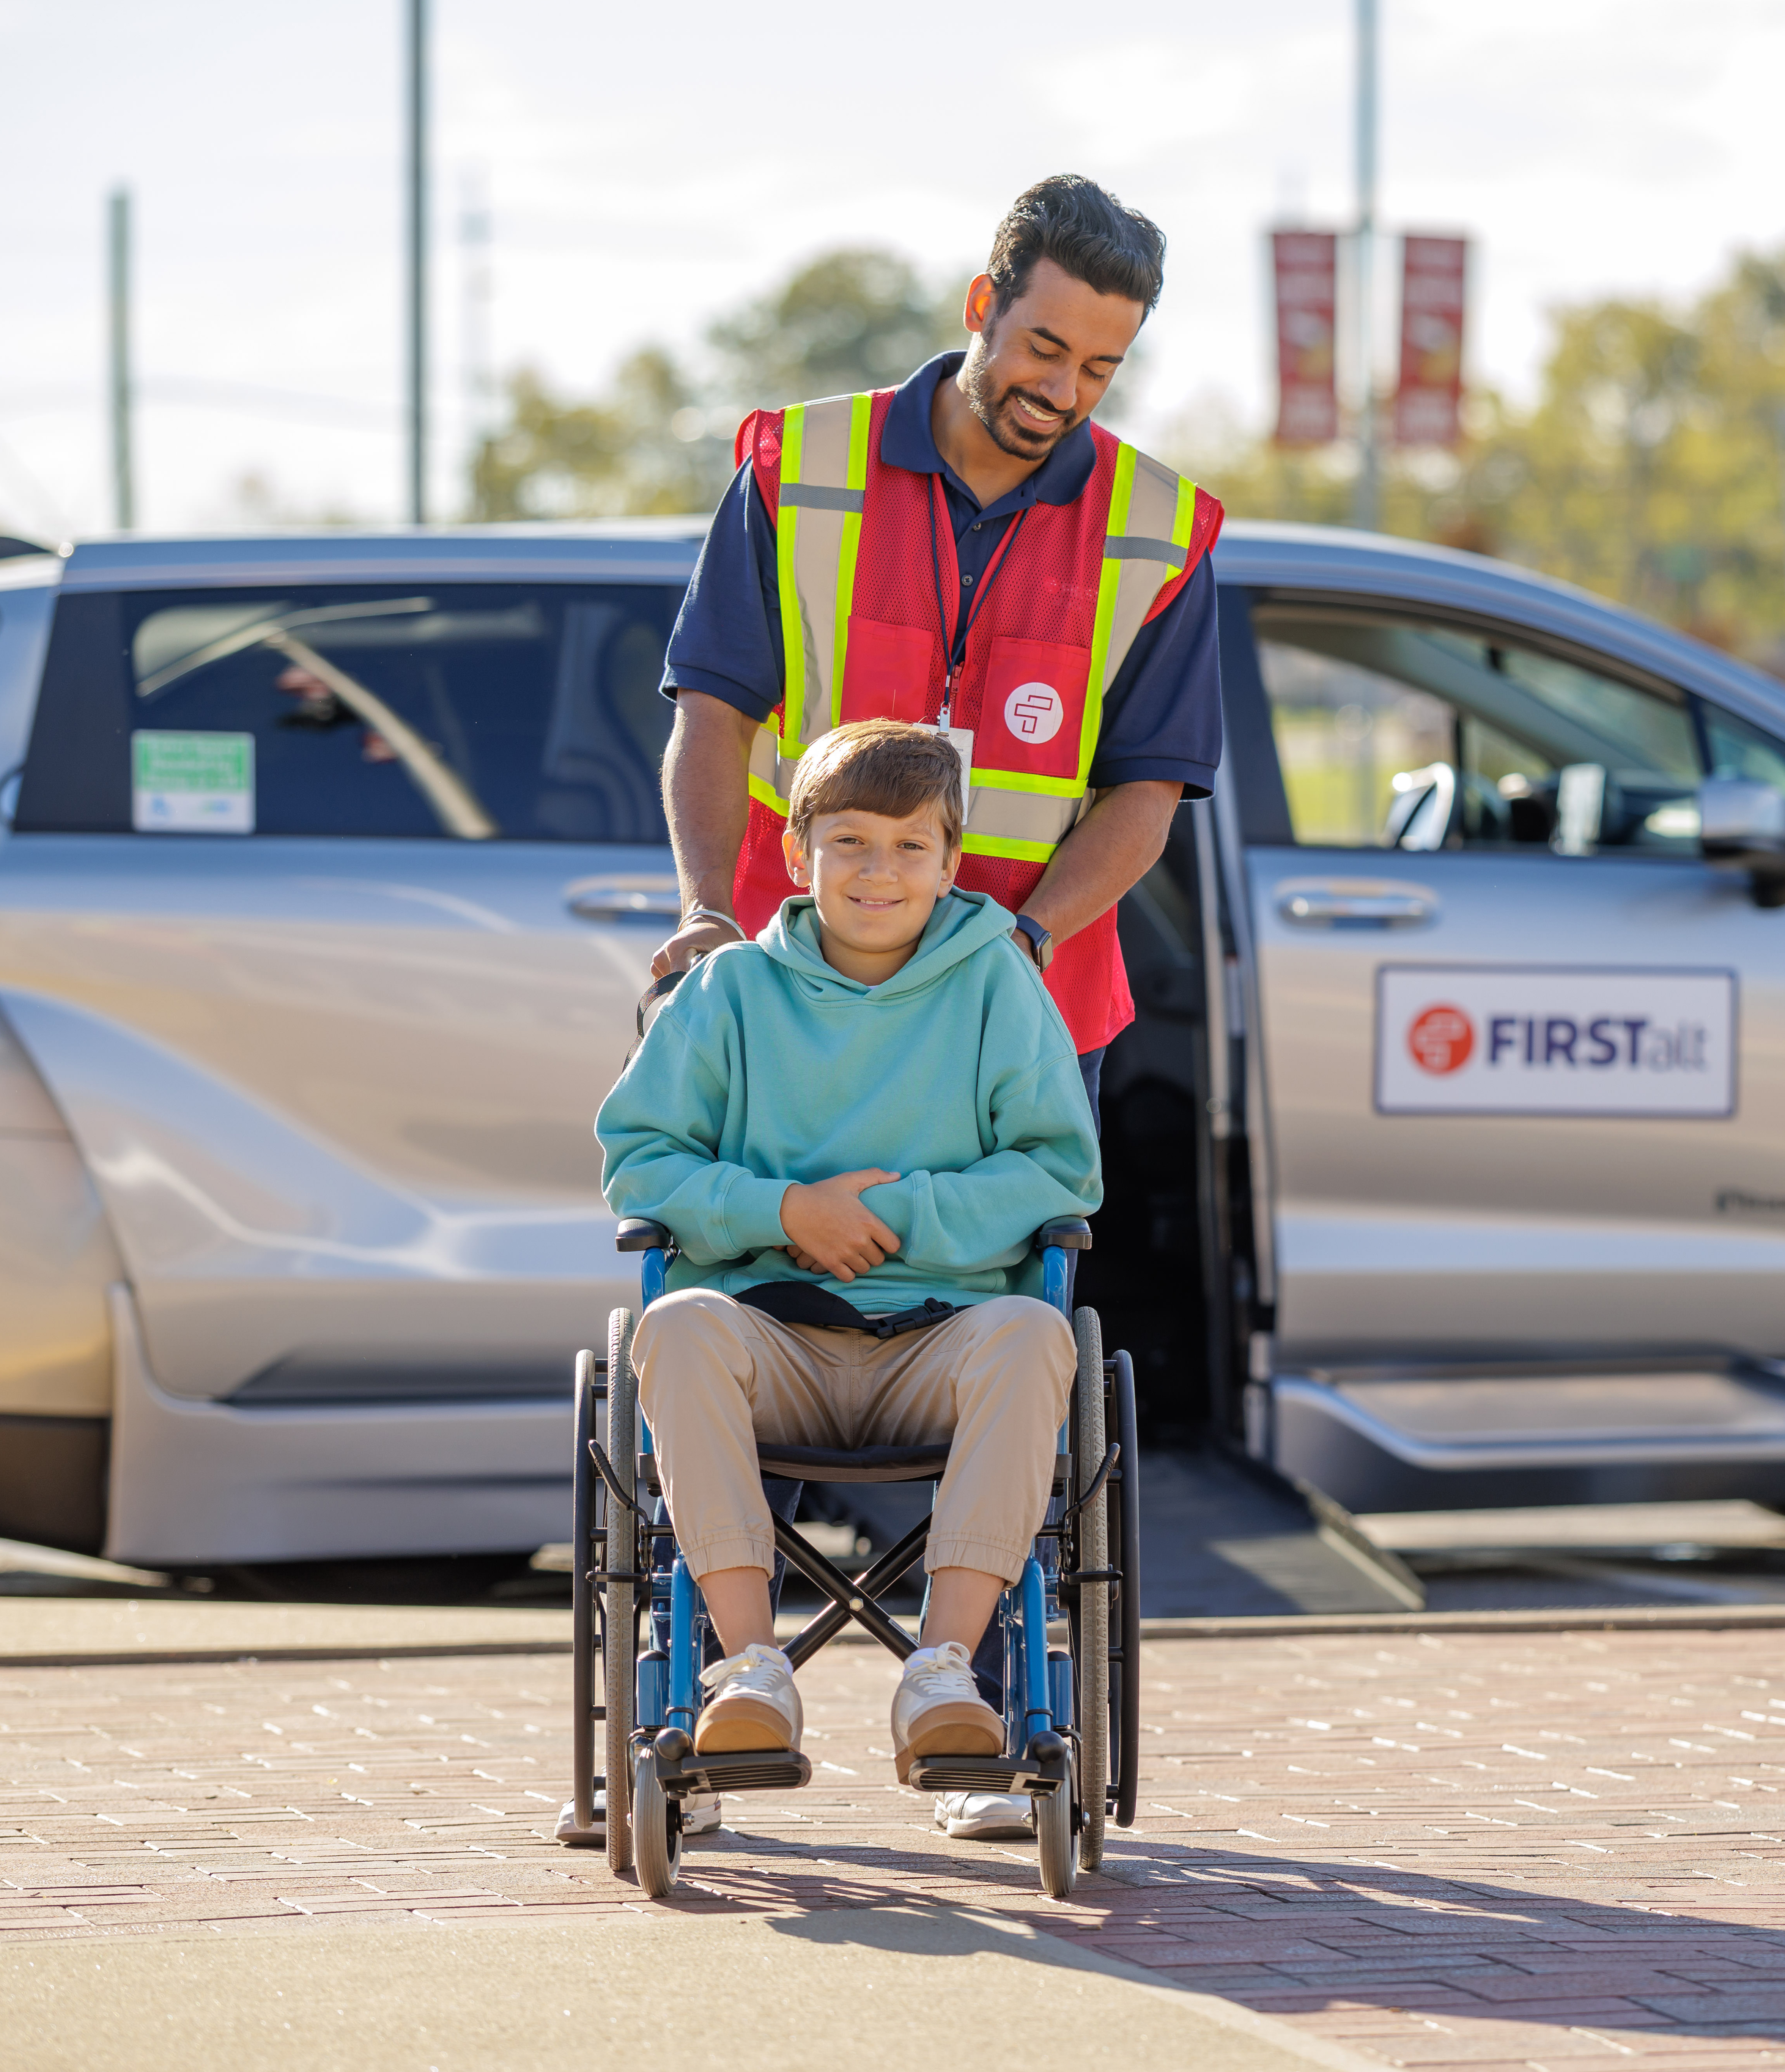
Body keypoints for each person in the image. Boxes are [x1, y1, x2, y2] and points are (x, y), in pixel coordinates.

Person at [648, 173, 1227, 1133]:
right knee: (761, 1273)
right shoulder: (798, 470)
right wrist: (705, 907)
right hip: (789, 992)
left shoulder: (1161, 530)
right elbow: (712, 712)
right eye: (1044, 348)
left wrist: (1021, 945)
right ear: (979, 306)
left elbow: (1147, 791)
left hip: (1020, 1012)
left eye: (1097, 368)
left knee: (1001, 1282)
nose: (1060, 392)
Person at [596, 720, 1101, 1807]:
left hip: (942, 1338)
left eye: (910, 847)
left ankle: (945, 1673)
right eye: (851, 843)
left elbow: (1059, 1175)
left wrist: (895, 1219)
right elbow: (639, 1162)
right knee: (674, 1324)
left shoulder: (998, 989)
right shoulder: (728, 993)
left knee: (1035, 1332)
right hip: (771, 1332)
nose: (880, 871)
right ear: (797, 851)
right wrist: (786, 1211)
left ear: (951, 862)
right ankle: (747, 1672)